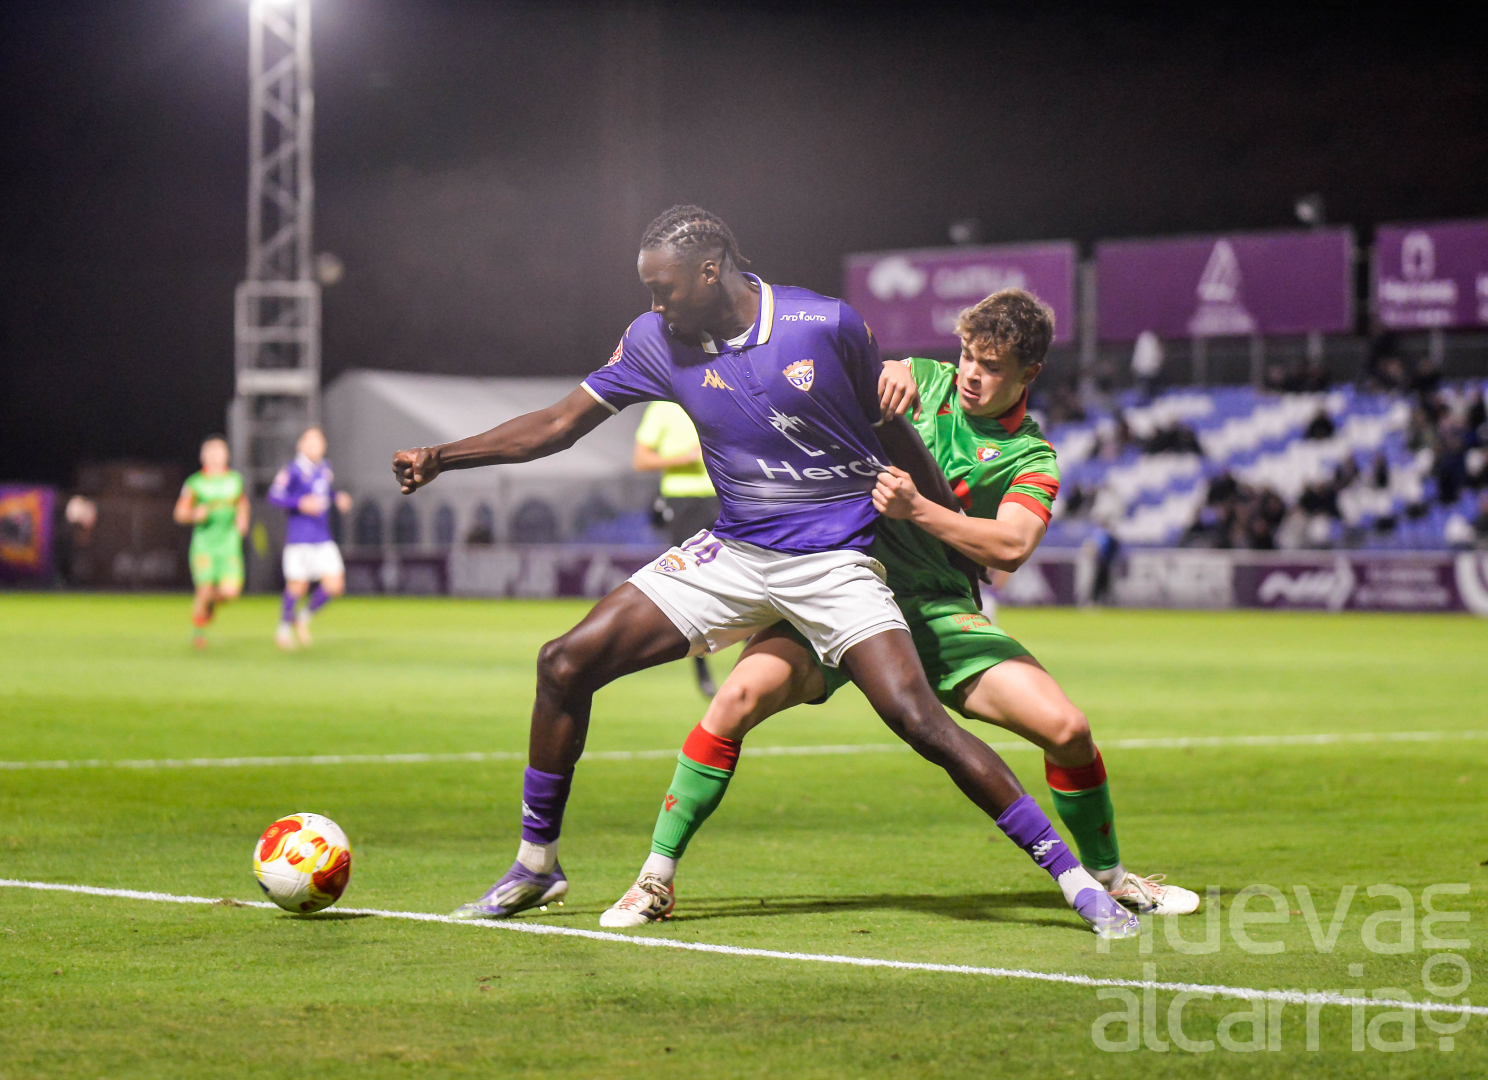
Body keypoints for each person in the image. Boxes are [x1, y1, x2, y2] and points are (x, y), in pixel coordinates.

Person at [393, 206, 1138, 939]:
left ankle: (1074, 878)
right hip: (736, 551)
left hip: (834, 563)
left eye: (664, 288)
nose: (655, 304)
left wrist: (944, 538)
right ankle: (536, 864)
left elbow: (897, 440)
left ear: (709, 271)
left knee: (921, 723)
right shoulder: (654, 338)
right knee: (563, 662)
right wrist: (443, 457)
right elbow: (559, 424)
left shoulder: (825, 325)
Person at [601, 291, 1200, 927]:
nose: (972, 374)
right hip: (834, 587)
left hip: (934, 610)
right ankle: (655, 877)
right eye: (968, 356)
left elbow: (1011, 546)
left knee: (1068, 730)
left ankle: (1111, 877)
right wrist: (881, 371)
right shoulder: (920, 379)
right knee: (735, 701)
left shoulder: (1031, 456)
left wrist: (920, 511)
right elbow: (858, 372)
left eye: (992, 366)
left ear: (1029, 374)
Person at [634, 399, 720, 696]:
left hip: (722, 496)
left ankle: (750, 661)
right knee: (691, 587)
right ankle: (701, 668)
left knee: (745, 574)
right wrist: (682, 459)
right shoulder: (662, 408)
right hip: (683, 502)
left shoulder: (713, 395)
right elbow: (641, 459)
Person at [266, 427, 352, 648]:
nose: (316, 446)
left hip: (322, 536)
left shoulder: (324, 468)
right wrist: (299, 503)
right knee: (298, 586)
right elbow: (274, 496)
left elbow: (325, 492)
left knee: (336, 585)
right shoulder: (292, 470)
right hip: (300, 538)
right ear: (300, 445)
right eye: (311, 441)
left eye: (319, 441)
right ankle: (283, 630)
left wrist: (337, 497)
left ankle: (302, 618)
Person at [173, 435, 249, 648]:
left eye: (220, 452)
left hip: (229, 543)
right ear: (203, 457)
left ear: (227, 456)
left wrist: (242, 520)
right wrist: (194, 514)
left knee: (231, 592)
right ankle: (198, 631)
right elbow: (179, 514)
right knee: (205, 589)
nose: (216, 457)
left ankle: (209, 607)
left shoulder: (235, 480)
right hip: (205, 544)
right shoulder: (195, 483)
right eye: (211, 453)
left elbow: (242, 504)